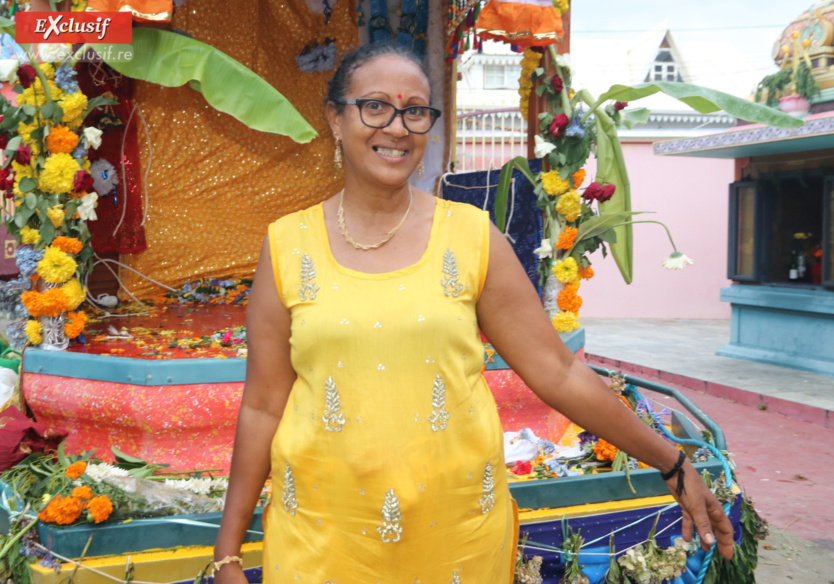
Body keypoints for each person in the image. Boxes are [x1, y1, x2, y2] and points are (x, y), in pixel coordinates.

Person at [213, 43, 734, 583]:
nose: (396, 127)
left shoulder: (470, 237)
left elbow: (557, 371)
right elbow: (263, 405)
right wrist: (228, 550)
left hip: (454, 540)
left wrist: (670, 461)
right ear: (335, 118)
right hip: (320, 540)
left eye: (414, 111)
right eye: (375, 106)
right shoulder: (286, 245)